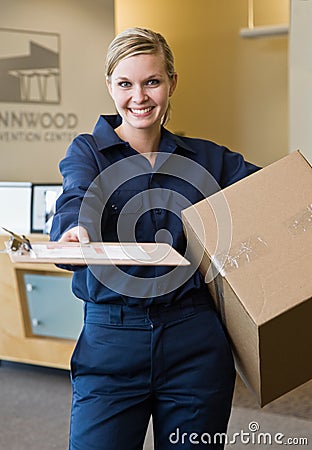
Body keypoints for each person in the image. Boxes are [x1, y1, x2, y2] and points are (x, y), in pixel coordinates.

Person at [50, 27, 259, 450]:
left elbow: (274, 195)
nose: (139, 97)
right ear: (109, 85)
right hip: (112, 342)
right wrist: (74, 230)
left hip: (195, 341)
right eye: (125, 84)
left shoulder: (209, 159)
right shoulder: (88, 151)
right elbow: (76, 194)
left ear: (172, 83)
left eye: (152, 81)